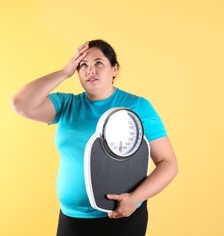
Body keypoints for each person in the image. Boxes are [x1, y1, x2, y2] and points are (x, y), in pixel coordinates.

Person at [10, 39, 178, 236]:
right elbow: (21, 103)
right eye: (83, 65)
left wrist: (134, 198)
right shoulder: (67, 105)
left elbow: (168, 163)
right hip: (71, 218)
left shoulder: (137, 106)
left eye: (99, 63)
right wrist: (64, 72)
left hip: (120, 217)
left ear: (114, 69)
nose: (91, 70)